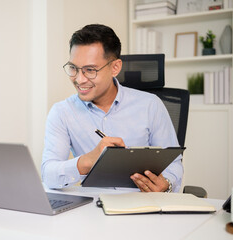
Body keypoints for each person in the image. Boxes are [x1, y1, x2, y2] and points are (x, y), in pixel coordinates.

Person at [41, 24, 183, 193]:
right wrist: (88, 160)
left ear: (115, 67)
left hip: (143, 205)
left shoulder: (151, 105)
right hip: (91, 209)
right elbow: (48, 174)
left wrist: (166, 183)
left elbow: (174, 164)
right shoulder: (62, 112)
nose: (79, 79)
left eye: (90, 70)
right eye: (74, 68)